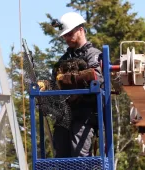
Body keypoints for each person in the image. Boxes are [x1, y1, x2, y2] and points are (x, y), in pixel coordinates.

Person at [38, 12, 104, 158]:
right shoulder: (64, 59)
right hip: (64, 114)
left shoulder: (93, 55)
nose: (66, 38)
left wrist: (67, 79)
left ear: (80, 30)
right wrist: (46, 86)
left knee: (79, 155)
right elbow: (56, 84)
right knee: (61, 155)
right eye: (64, 35)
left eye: (69, 34)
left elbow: (97, 78)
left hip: (84, 113)